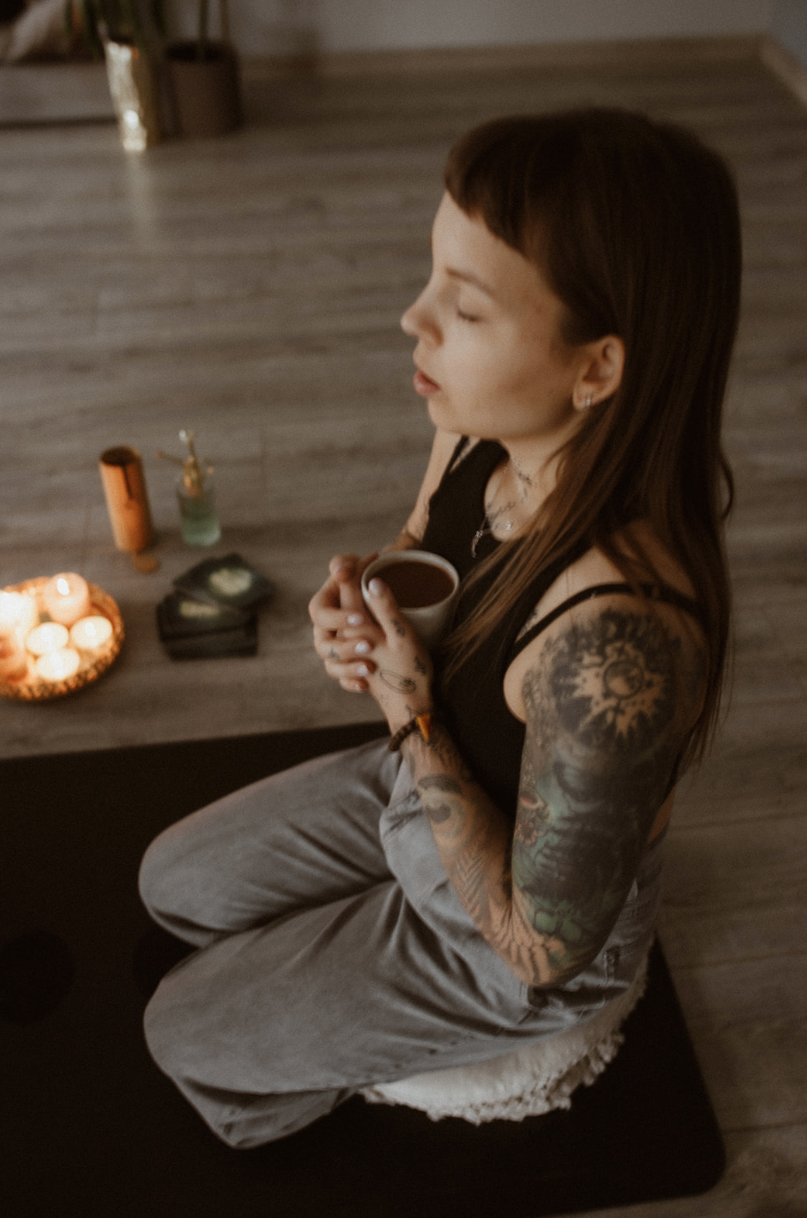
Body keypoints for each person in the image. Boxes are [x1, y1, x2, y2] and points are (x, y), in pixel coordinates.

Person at [138, 108, 742, 1148]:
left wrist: (411, 713)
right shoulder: (478, 428)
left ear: (596, 369)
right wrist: (362, 598)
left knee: (178, 1028)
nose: (411, 322)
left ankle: (417, 1069)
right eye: (432, 279)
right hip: (429, 777)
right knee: (171, 885)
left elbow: (536, 945)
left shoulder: (617, 643)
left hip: (509, 931)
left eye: (462, 309)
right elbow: (425, 539)